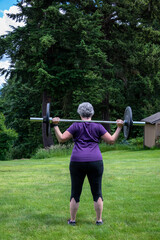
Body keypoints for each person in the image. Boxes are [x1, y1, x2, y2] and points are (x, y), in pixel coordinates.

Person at [52, 102, 123, 226]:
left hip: (77, 161)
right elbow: (111, 140)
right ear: (92, 113)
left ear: (79, 113)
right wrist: (119, 127)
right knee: (97, 192)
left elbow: (61, 139)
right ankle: (99, 220)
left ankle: (73, 221)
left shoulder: (75, 126)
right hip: (95, 161)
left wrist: (55, 126)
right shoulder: (97, 126)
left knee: (75, 191)